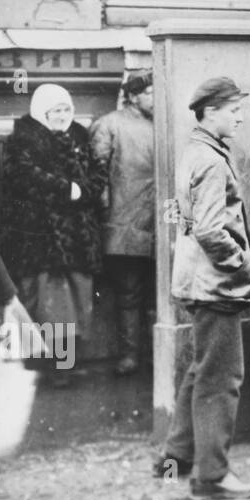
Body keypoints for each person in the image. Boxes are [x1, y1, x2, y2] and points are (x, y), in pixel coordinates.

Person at [157, 77, 250, 499]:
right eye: (233, 109)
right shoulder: (213, 160)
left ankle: (177, 456)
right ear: (211, 111)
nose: (239, 116)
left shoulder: (195, 151)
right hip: (216, 284)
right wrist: (241, 267)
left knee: (202, 369)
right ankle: (212, 476)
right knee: (222, 378)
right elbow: (211, 230)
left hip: (195, 280)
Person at [0, 83, 105, 386]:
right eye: (56, 110)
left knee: (76, 305)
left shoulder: (80, 137)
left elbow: (98, 173)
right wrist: (66, 189)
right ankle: (56, 368)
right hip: (44, 239)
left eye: (66, 109)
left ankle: (66, 364)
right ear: (42, 111)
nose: (62, 115)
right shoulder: (23, 140)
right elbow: (25, 178)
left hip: (78, 239)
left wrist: (85, 191)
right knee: (55, 310)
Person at [90, 71, 156, 376]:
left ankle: (153, 356)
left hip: (156, 227)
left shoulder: (164, 125)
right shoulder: (109, 125)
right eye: (150, 92)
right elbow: (97, 180)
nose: (156, 99)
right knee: (129, 294)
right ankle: (130, 356)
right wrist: (106, 221)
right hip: (124, 225)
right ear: (132, 95)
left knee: (156, 295)